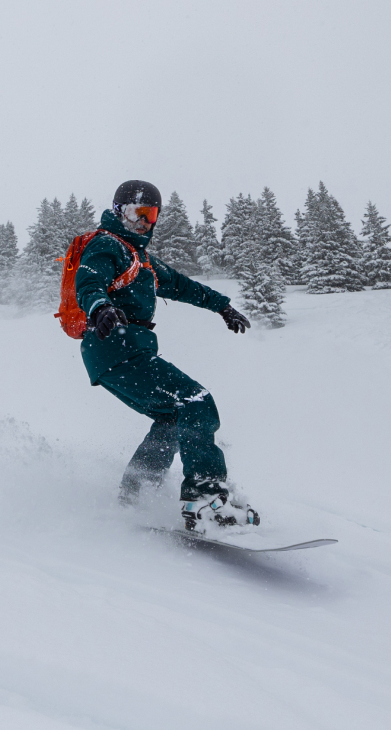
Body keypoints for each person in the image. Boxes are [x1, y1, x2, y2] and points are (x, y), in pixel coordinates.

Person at [75, 179, 259, 533]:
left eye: (151, 214)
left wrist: (223, 307)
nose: (144, 222)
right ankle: (206, 502)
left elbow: (182, 285)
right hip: (114, 342)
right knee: (196, 401)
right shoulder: (105, 245)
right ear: (118, 212)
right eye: (136, 212)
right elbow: (89, 281)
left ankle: (136, 492)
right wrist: (99, 307)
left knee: (173, 417)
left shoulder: (140, 259)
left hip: (124, 349)